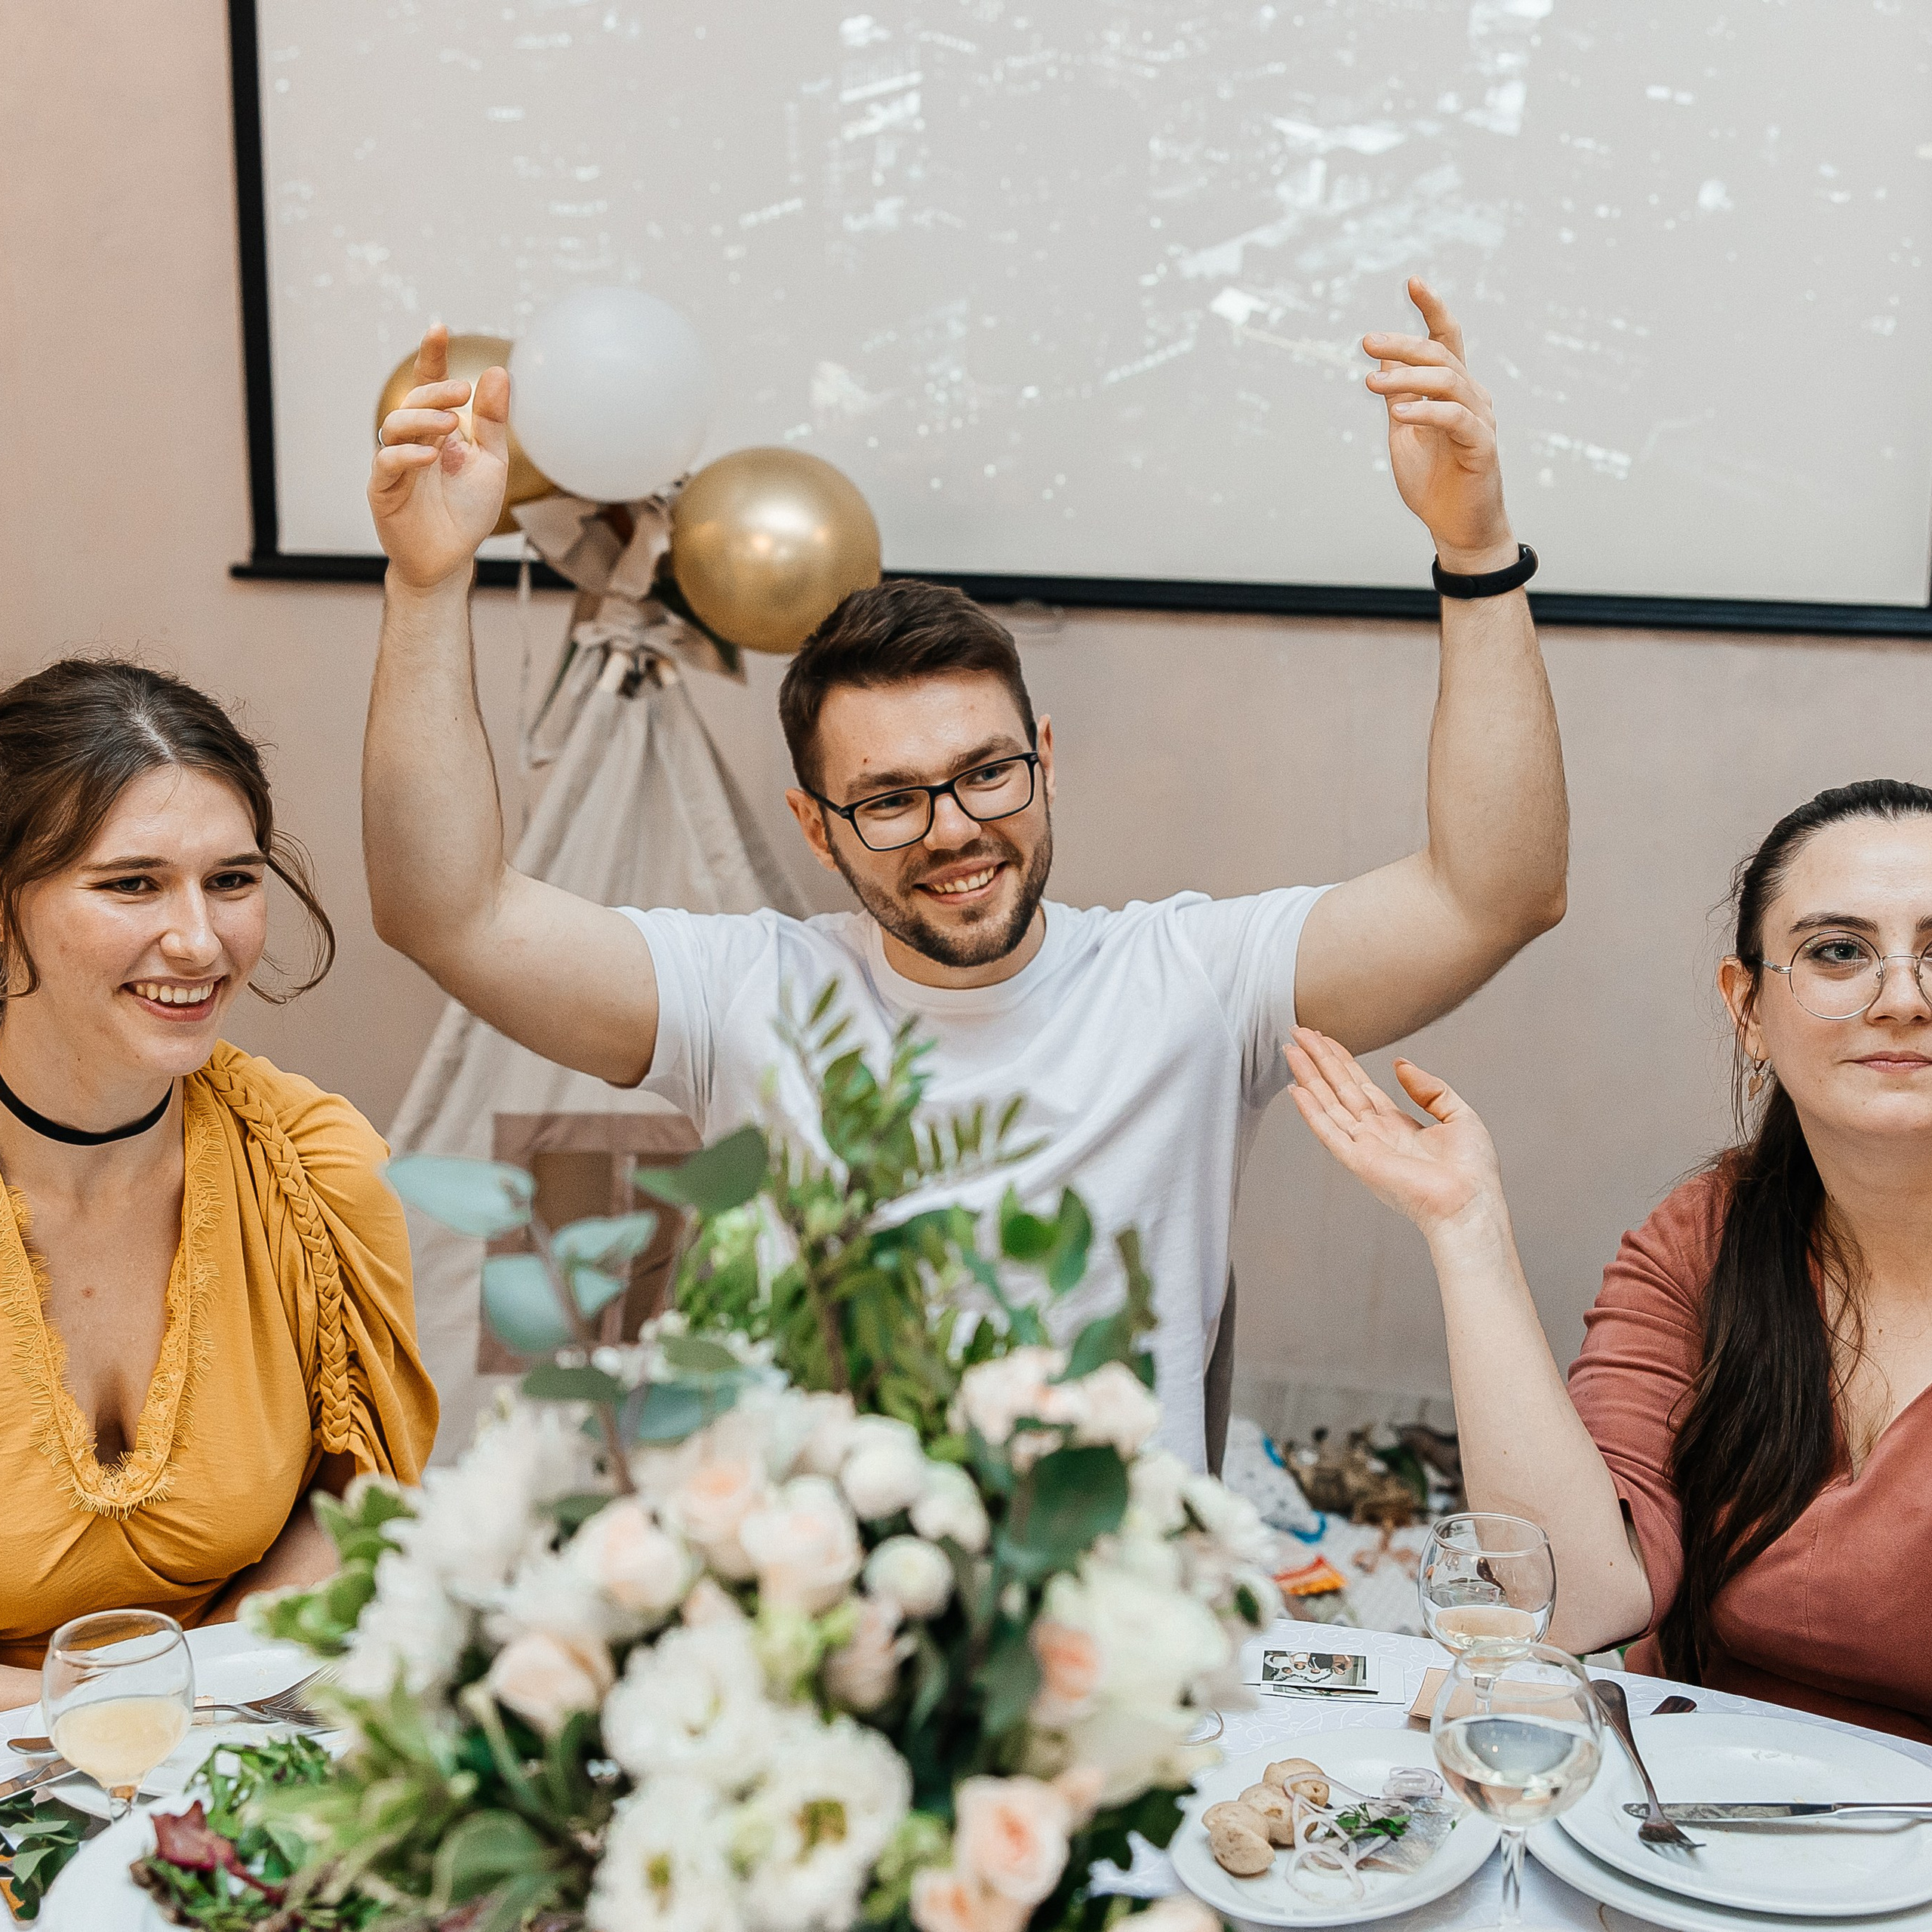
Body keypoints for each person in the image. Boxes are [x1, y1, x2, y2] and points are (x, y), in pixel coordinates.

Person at [361, 281, 1567, 1471]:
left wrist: (1474, 550)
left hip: (1124, 1627)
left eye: (987, 773)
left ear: (1043, 763)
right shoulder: (742, 994)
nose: (952, 830)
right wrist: (427, 583)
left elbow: (1494, 894)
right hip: (820, 1618)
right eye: (888, 800)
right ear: (817, 826)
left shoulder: (1194, 981)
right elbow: (447, 911)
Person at [1284, 780, 1932, 1742]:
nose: (1903, 999)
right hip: (1684, 1828)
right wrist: (1465, 1228)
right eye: (1838, 951)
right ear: (1748, 1009)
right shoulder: (1704, 1235)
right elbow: (1577, 1599)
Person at [0, 661, 437, 1710]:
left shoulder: (320, 1172)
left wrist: (190, 1701)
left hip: (234, 1726)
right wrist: (94, 1715)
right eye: (131, 882)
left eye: (232, 880)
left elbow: (359, 1509)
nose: (200, 941)